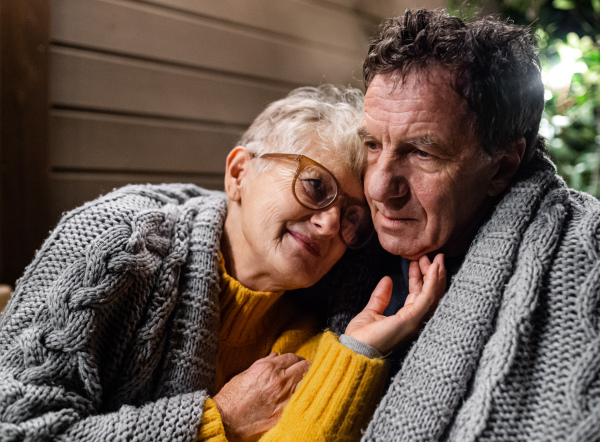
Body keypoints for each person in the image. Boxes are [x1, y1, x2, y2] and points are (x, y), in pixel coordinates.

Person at [0, 85, 445, 442]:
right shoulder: (116, 243)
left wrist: (358, 351)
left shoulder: (304, 332)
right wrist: (219, 420)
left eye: (352, 216)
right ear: (238, 174)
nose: (330, 224)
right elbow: (15, 428)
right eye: (314, 186)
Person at [314, 9, 600, 441]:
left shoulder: (584, 256)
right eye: (372, 144)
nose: (377, 186)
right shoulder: (335, 228)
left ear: (502, 165)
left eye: (422, 153)